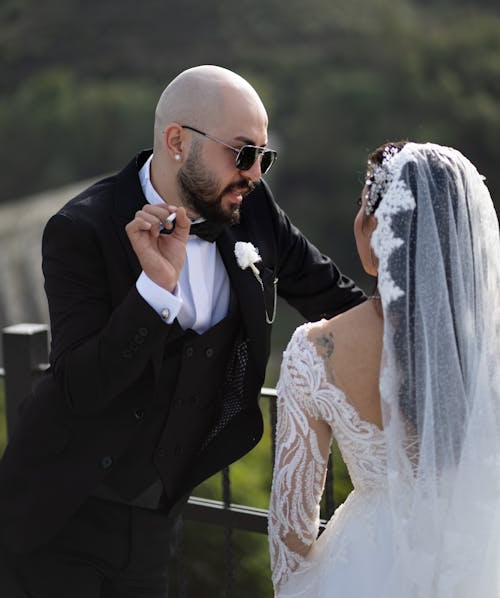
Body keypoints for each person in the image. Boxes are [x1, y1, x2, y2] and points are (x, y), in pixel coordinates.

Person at [0, 65, 364, 597]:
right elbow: (80, 387)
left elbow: (338, 300)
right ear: (177, 142)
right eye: (243, 154)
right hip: (57, 514)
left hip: (156, 522)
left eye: (265, 157)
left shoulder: (256, 212)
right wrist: (155, 292)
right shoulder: (81, 229)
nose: (256, 173)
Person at [269, 141, 500, 597]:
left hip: (366, 571)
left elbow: (291, 530)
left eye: (362, 209)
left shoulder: (316, 351)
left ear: (377, 229)